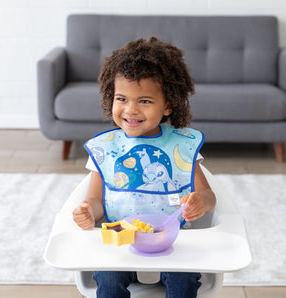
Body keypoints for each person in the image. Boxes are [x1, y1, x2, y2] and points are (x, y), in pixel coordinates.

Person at [73, 36, 216, 298]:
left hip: (174, 239)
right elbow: (96, 200)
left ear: (168, 104)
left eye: (145, 101)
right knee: (107, 278)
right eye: (122, 98)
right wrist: (88, 213)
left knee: (184, 283)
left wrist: (200, 203)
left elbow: (208, 197)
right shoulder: (106, 149)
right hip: (120, 238)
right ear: (110, 98)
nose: (131, 109)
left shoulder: (180, 147)